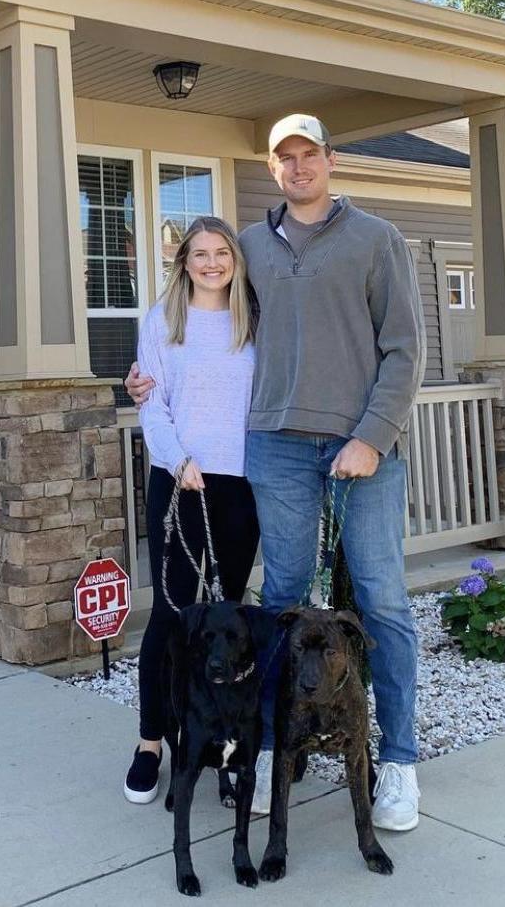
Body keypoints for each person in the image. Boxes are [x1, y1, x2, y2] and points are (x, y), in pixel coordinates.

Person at [127, 114, 426, 832]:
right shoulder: (251, 248)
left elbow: (404, 347)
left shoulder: (376, 239)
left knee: (382, 601)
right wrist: (144, 384)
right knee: (281, 601)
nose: (297, 167)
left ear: (329, 157)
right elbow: (193, 334)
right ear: (270, 166)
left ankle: (398, 763)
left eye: (308, 154)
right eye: (283, 157)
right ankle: (268, 755)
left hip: (360, 449)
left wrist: (374, 435)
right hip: (275, 449)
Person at [123, 216, 261, 807]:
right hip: (179, 480)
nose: (211, 263)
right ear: (184, 262)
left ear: (235, 259)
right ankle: (152, 742)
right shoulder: (163, 321)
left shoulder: (254, 317)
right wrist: (178, 460)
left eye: (221, 252)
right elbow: (152, 404)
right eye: (199, 253)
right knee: (172, 616)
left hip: (241, 483)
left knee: (228, 621)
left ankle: (227, 748)